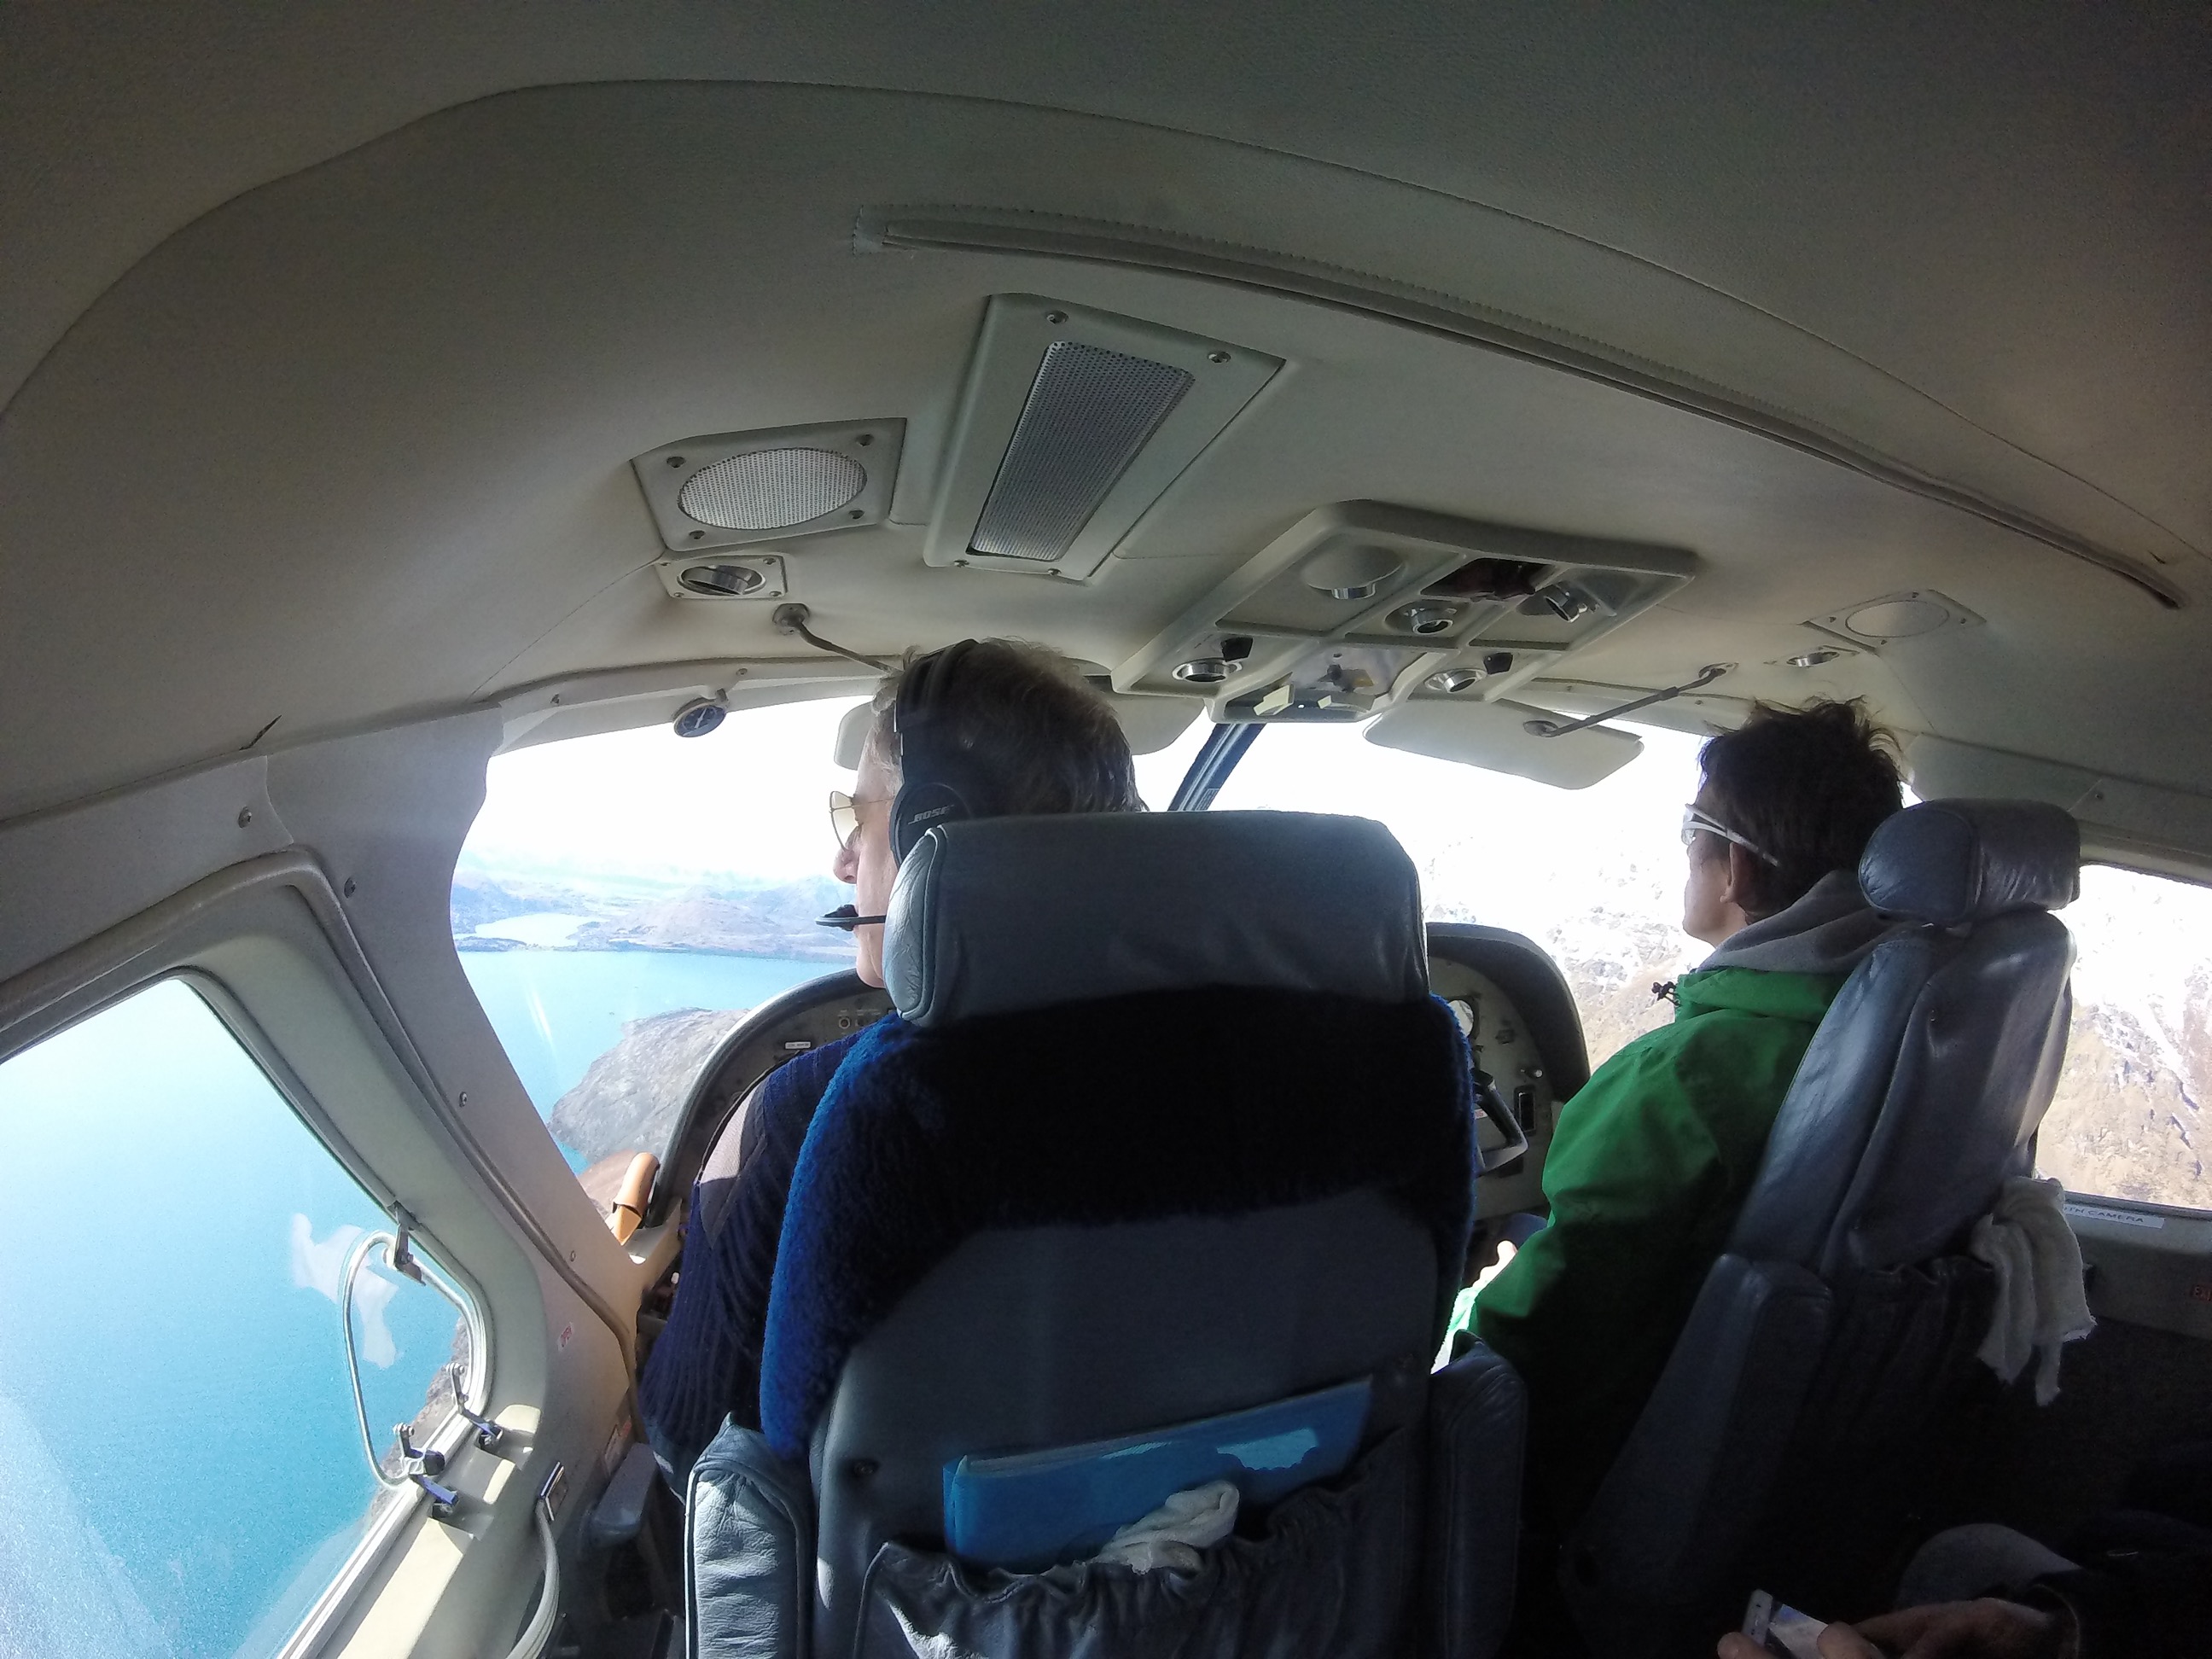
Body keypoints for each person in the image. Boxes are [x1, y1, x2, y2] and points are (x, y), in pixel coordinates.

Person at [639, 639, 1140, 1483]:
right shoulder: (1301, 1072)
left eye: (858, 817)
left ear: (928, 834)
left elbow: (688, 1437)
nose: (842, 861)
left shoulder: (818, 1111)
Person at [1473, 699, 1906, 1528]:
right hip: (1788, 1463)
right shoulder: (1895, 1035)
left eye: (1691, 828)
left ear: (1735, 866)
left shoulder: (1688, 1076)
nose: (1685, 851)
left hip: (1598, 1469)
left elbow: (1548, 1331)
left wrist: (1464, 1324)